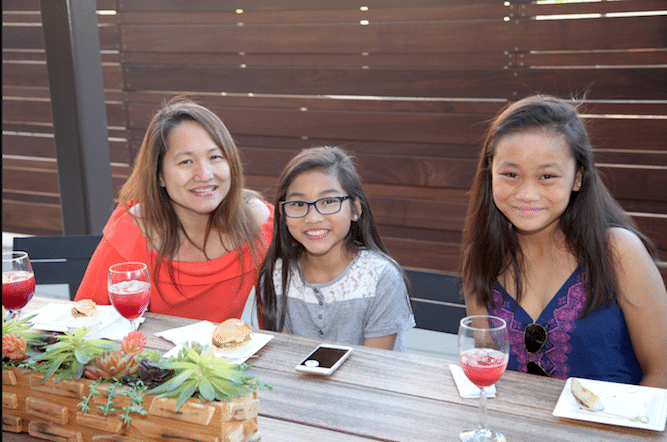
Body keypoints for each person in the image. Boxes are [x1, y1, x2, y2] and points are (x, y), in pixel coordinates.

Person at [460, 95, 667, 388]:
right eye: (510, 174)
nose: (527, 193)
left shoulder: (619, 250)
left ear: (577, 177)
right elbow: (488, 372)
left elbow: (662, 372)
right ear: (490, 173)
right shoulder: (481, 258)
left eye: (547, 176)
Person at [75, 98, 273, 323]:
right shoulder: (132, 232)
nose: (205, 174)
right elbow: (84, 319)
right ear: (159, 175)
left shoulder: (262, 224)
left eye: (215, 157)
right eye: (186, 162)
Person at [255, 146, 415, 351]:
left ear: (355, 210)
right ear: (283, 213)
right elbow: (285, 355)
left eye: (329, 201)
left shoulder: (381, 278)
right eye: (298, 204)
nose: (313, 217)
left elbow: (374, 363)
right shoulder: (277, 274)